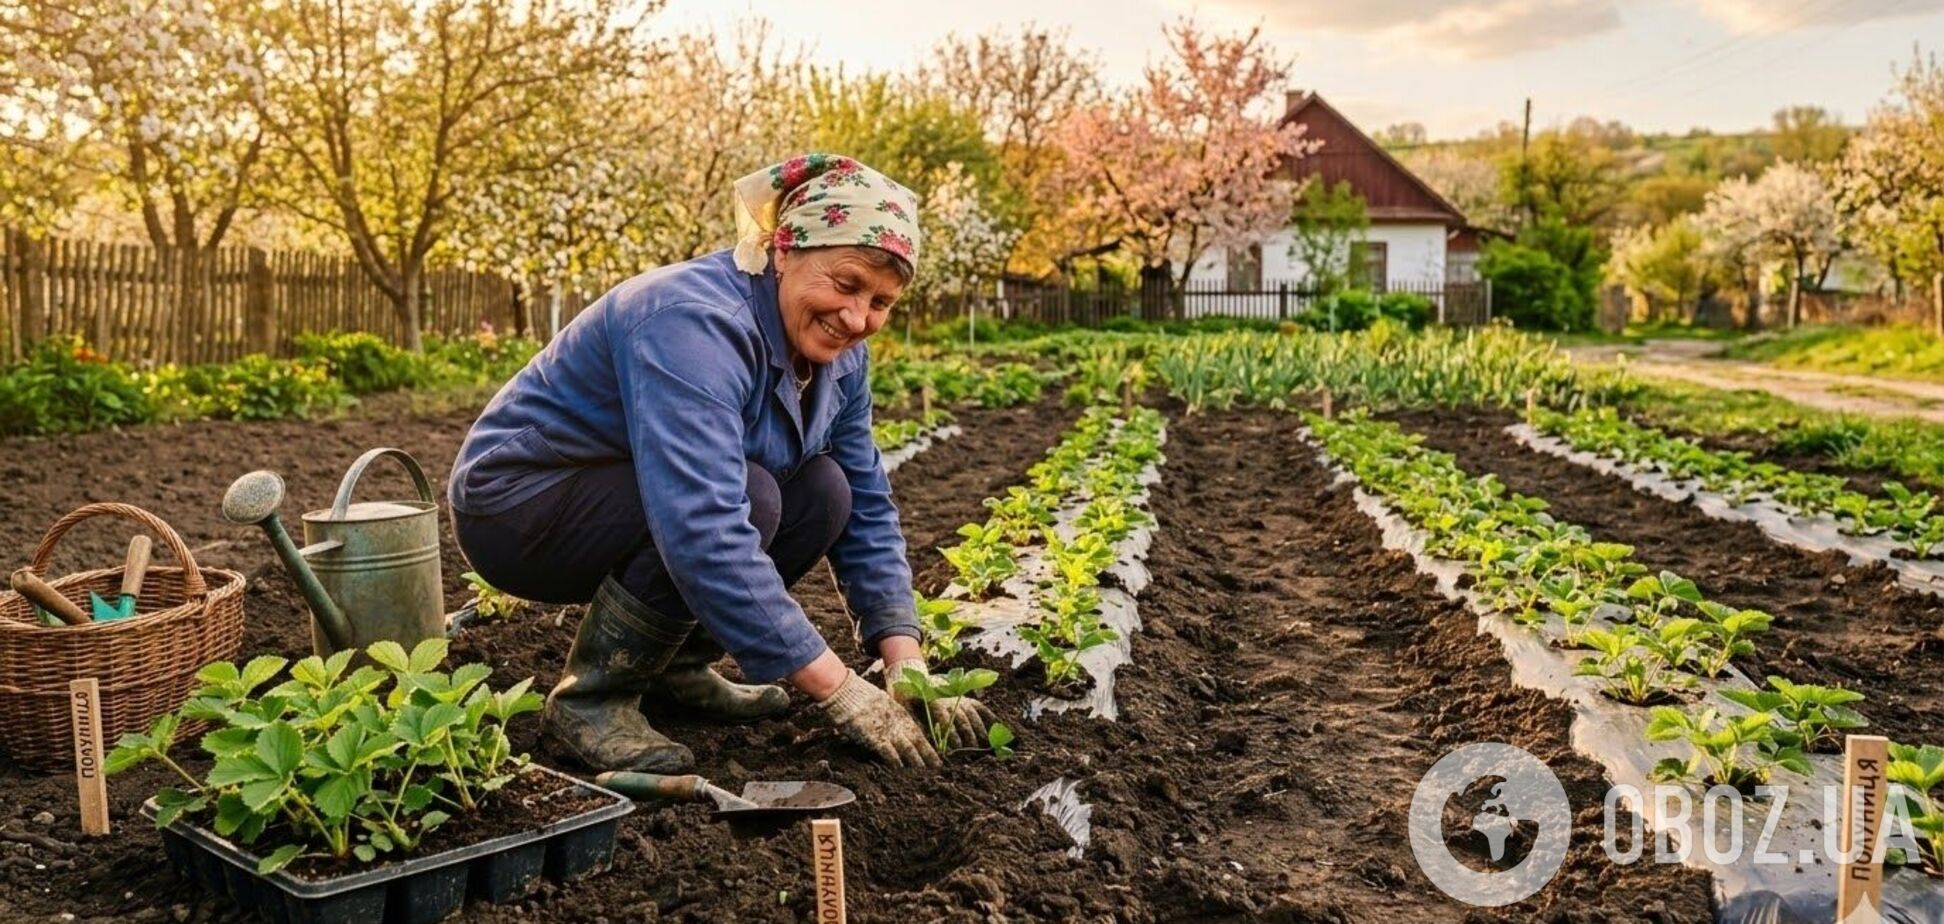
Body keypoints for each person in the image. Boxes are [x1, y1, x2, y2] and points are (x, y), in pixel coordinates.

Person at [448, 154, 992, 773]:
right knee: (751, 495)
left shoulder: (842, 361)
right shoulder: (693, 323)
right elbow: (701, 523)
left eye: (881, 302)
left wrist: (906, 661)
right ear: (783, 250)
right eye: (845, 284)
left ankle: (673, 669)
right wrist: (837, 687)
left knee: (827, 491)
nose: (857, 318)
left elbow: (867, 503)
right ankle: (591, 701)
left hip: (630, 496)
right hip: (519, 506)